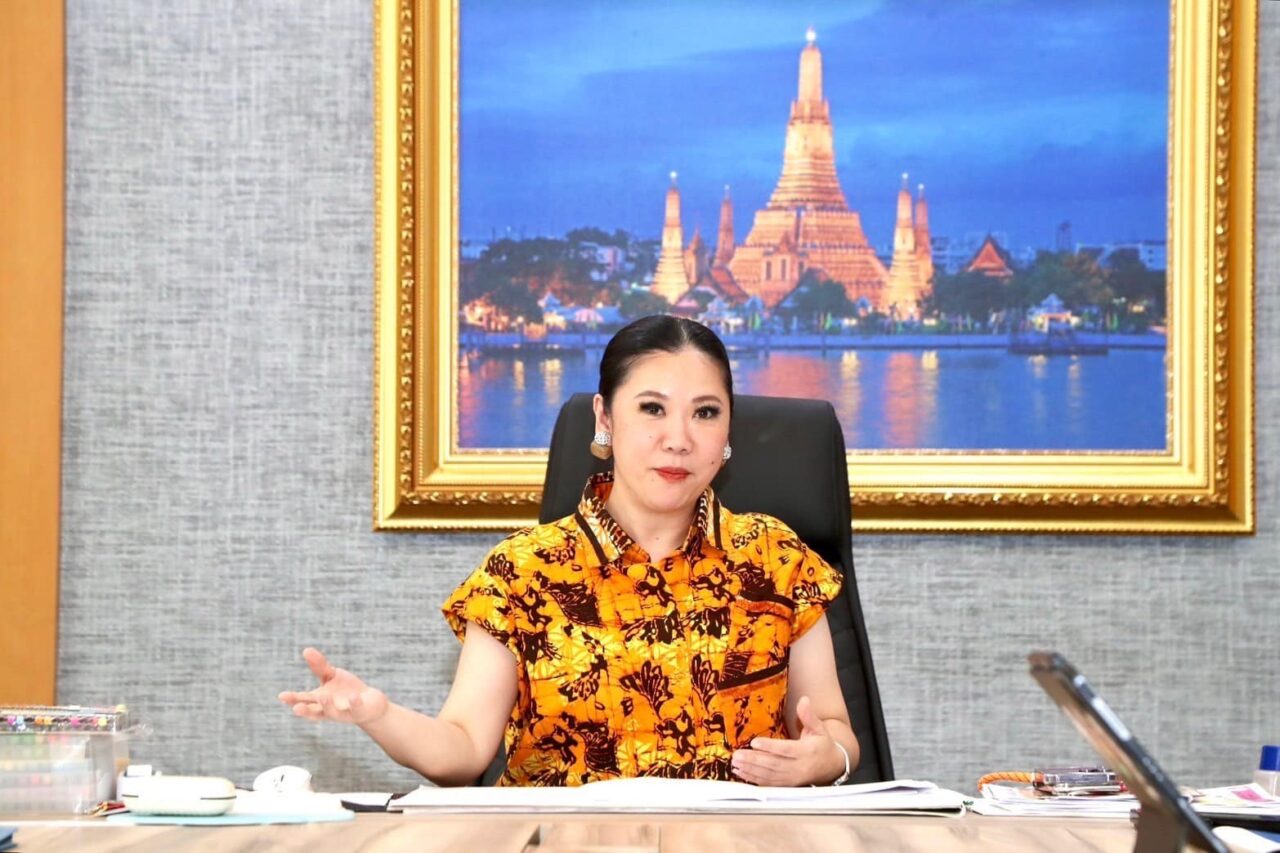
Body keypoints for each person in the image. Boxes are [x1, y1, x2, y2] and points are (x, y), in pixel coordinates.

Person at [279, 315, 859, 787]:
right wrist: (378, 715)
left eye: (705, 413)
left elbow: (833, 729)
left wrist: (826, 757)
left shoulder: (776, 558)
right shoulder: (521, 571)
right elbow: (463, 748)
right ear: (605, 418)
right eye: (652, 409)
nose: (679, 439)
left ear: (728, 430)